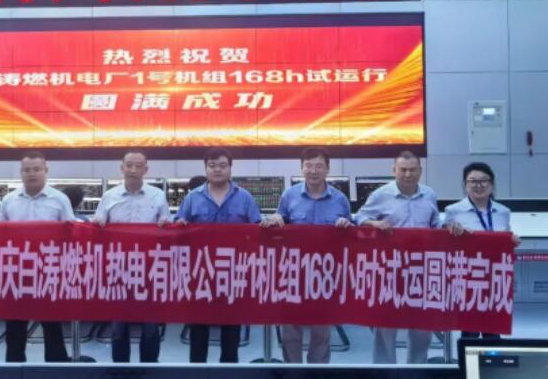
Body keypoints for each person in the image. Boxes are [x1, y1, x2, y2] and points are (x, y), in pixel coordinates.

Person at [354, 150, 462, 364]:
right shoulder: (380, 195)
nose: (407, 174)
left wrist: (448, 227)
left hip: (422, 270)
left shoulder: (429, 194)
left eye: (412, 170)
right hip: (389, 269)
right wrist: (374, 223)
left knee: (422, 328)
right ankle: (385, 372)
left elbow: (434, 226)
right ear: (394, 170)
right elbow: (359, 218)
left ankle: (417, 369)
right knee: (385, 327)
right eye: (402, 169)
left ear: (420, 171)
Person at [260, 148, 353, 363]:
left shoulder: (340, 199)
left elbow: (351, 233)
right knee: (290, 331)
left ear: (327, 169)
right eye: (309, 166)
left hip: (326, 274)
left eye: (319, 166)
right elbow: (280, 220)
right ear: (301, 168)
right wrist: (275, 219)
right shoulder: (289, 196)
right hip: (293, 273)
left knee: (321, 332)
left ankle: (316, 372)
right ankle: (293, 371)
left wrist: (346, 224)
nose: (313, 171)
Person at [175, 147, 261, 363]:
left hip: (234, 273)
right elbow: (178, 227)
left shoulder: (245, 198)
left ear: (230, 169)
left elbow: (257, 229)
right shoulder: (193, 198)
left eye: (223, 165)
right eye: (212, 166)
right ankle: (198, 372)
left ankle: (228, 371)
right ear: (206, 169)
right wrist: (179, 224)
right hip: (200, 273)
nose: (217, 170)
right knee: (198, 329)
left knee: (231, 331)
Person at [0, 150, 74, 363]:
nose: (32, 173)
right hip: (16, 272)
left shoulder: (59, 200)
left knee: (52, 326)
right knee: (15, 327)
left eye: (37, 169)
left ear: (46, 171)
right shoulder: (10, 200)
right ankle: (14, 369)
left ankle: (55, 369)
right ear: (21, 172)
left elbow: (72, 233)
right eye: (27, 170)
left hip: (49, 271)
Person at [93, 149, 170, 362]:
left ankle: (150, 368)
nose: (133, 170)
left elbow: (167, 227)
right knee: (119, 326)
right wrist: (97, 224)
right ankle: (120, 369)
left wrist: (166, 224)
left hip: (149, 269)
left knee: (150, 327)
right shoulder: (109, 196)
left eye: (138, 166)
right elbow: (97, 225)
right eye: (129, 165)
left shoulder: (157, 195)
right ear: (122, 168)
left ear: (146, 169)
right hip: (118, 269)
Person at [444, 162, 519, 339]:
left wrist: (511, 242)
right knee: (469, 330)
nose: (478, 185)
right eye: (473, 181)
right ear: (465, 185)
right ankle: (469, 357)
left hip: (495, 277)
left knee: (493, 330)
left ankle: (492, 357)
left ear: (491, 184)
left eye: (484, 180)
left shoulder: (503, 212)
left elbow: (504, 238)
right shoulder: (453, 211)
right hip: (468, 278)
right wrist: (450, 230)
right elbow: (446, 243)